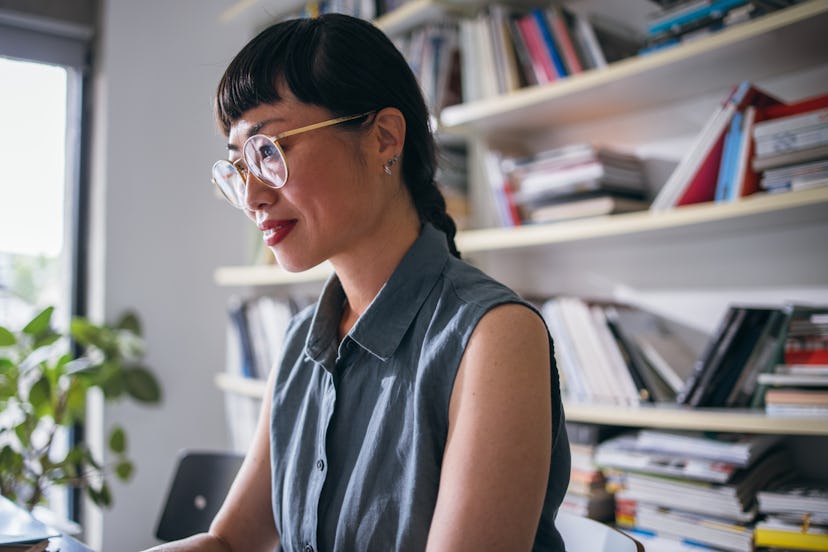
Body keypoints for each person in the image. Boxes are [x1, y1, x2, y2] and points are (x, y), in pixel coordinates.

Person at [151, 12, 569, 552]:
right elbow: (232, 544)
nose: (252, 195)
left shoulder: (494, 337)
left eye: (269, 151)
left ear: (384, 139)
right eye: (238, 166)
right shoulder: (303, 340)